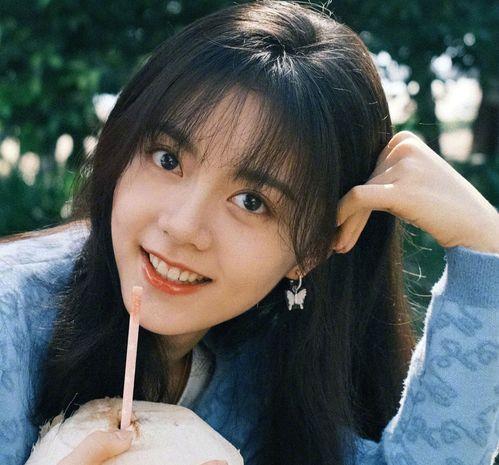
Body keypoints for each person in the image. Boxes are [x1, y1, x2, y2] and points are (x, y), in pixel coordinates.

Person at [0, 1, 498, 464]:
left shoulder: (261, 369)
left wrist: (484, 244)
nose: (183, 226)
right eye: (168, 159)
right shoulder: (10, 322)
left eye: (252, 202)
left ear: (311, 250)